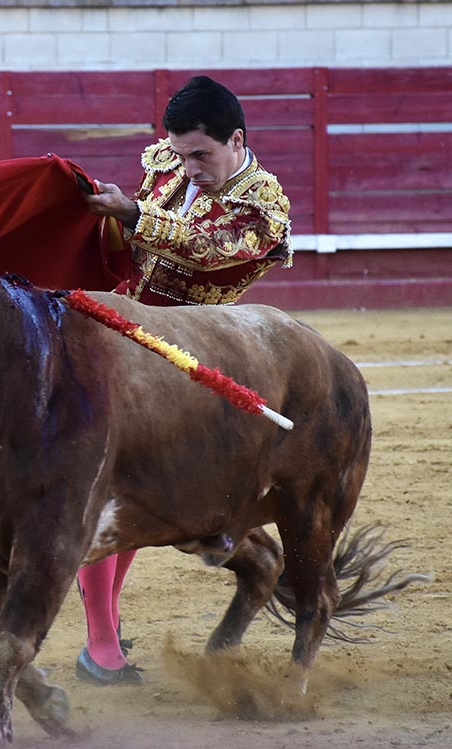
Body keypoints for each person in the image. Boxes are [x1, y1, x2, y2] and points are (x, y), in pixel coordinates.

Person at [73, 75, 292, 685]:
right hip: (120, 331)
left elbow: (206, 248)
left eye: (201, 154)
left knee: (135, 488)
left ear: (236, 140)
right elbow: (131, 243)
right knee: (107, 480)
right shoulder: (167, 163)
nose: (189, 167)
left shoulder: (265, 204)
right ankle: (102, 645)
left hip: (188, 358)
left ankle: (103, 637)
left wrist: (133, 212)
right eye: (181, 153)